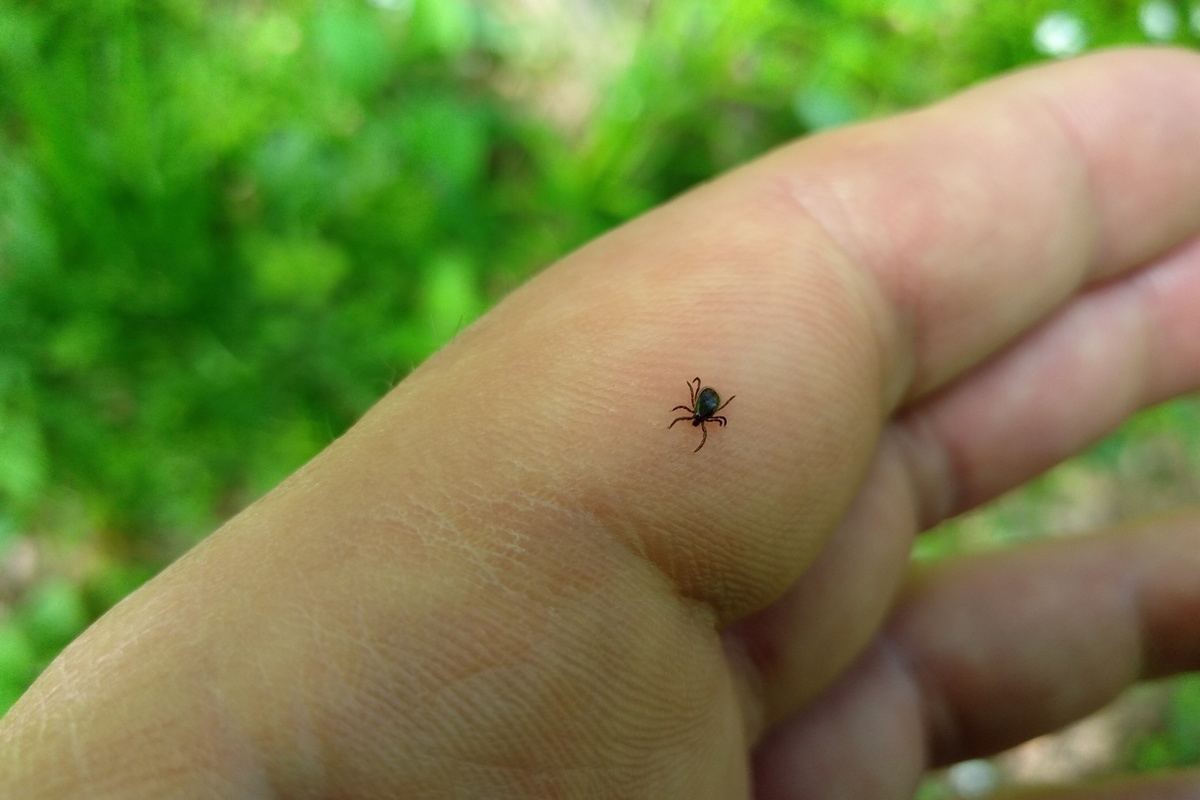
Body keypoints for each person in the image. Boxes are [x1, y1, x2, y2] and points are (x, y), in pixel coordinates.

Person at [3, 47, 1200, 800]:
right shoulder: (702, 409)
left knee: (703, 423)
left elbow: (705, 407)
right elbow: (704, 407)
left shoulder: (704, 406)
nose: (701, 409)